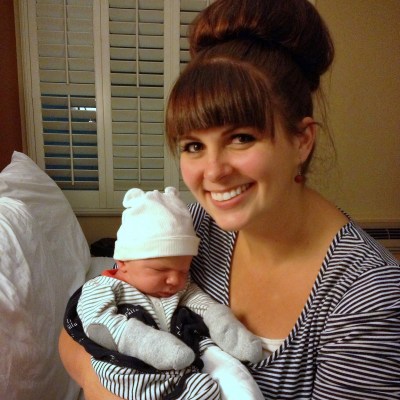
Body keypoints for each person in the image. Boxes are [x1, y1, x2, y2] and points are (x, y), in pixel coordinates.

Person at [59, 0, 400, 398]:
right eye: (193, 146)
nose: (213, 171)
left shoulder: (367, 300)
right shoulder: (195, 229)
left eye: (241, 138)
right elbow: (77, 329)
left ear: (302, 140)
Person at [65, 186, 264, 400]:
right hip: (130, 364)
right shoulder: (103, 287)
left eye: (184, 270)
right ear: (122, 262)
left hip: (184, 355)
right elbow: (97, 323)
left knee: (224, 376)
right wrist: (146, 343)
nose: (175, 280)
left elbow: (200, 301)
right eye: (160, 270)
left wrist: (222, 322)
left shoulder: (178, 286)